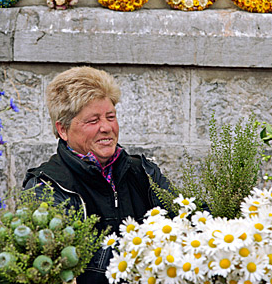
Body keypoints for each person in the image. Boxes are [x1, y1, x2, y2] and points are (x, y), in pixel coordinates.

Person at [23, 66, 171, 284]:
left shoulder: (143, 172)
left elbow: (185, 220)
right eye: (93, 121)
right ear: (62, 130)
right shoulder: (47, 186)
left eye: (110, 117)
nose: (106, 128)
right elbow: (57, 266)